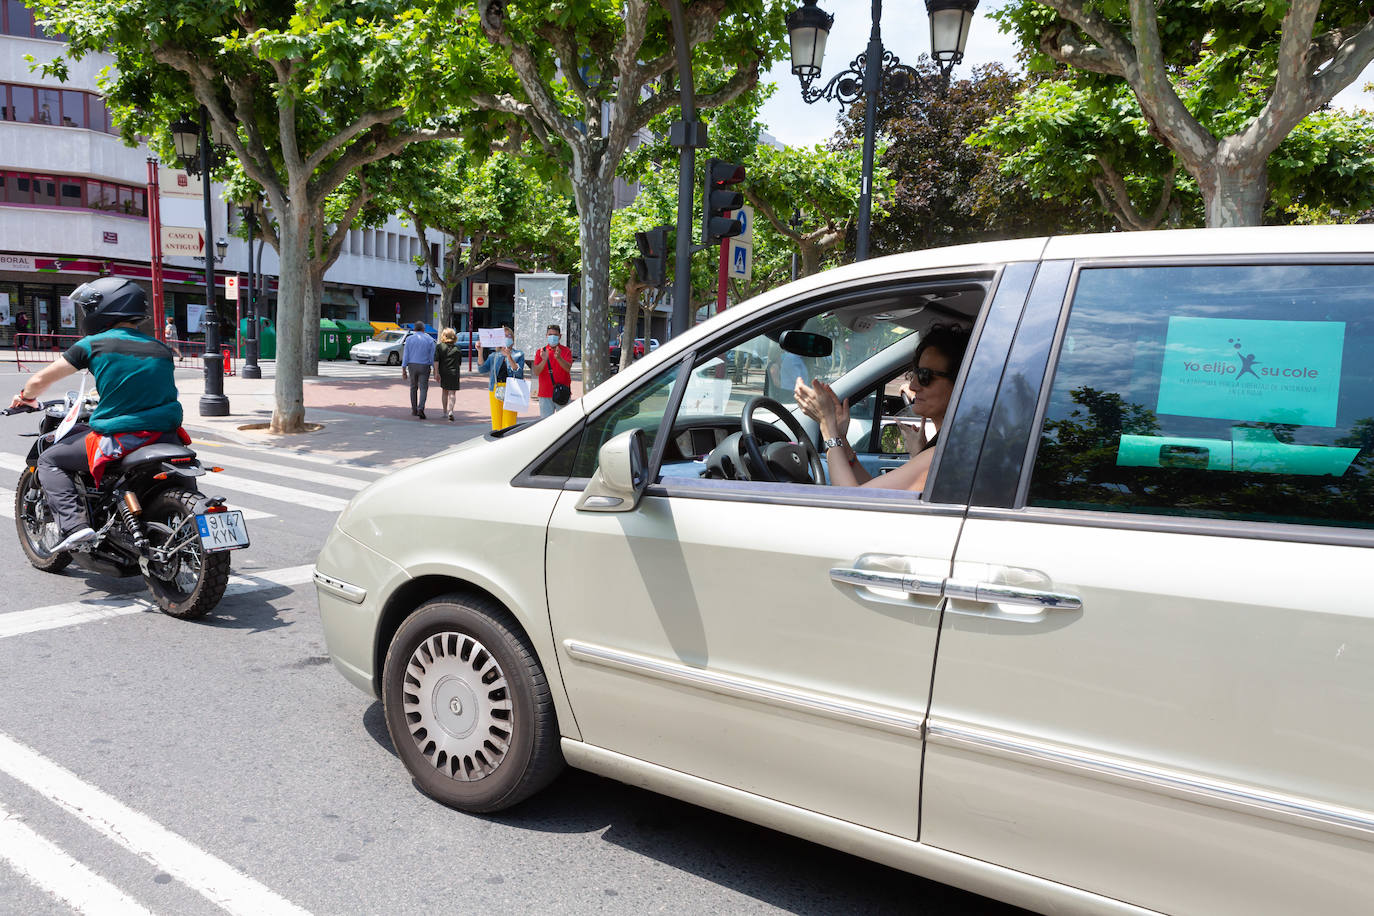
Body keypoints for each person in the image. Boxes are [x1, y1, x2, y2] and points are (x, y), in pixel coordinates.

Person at [8, 277, 182, 552]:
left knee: (50, 459)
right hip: (168, 434)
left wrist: (26, 397)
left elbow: (41, 380)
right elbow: (142, 384)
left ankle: (75, 527)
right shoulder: (160, 347)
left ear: (103, 309)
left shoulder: (94, 344)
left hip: (124, 436)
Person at [794, 323, 969, 493]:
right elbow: (877, 494)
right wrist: (842, 441)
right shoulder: (954, 443)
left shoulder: (944, 455)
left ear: (961, 381)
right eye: (914, 373)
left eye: (925, 376)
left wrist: (828, 427)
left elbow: (853, 501)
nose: (913, 385)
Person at [478, 324, 524, 431]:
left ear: (513, 339)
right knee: (496, 422)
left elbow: (518, 372)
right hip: (495, 388)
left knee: (509, 422)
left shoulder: (518, 354)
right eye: (504, 336)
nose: (507, 338)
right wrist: (480, 352)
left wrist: (509, 356)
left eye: (509, 336)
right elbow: (482, 369)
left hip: (512, 388)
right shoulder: (494, 355)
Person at [531, 323, 573, 417]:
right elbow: (537, 372)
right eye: (550, 335)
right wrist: (544, 360)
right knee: (545, 424)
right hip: (545, 394)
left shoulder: (566, 351)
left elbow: (567, 368)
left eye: (555, 335)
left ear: (560, 336)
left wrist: (559, 358)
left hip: (562, 393)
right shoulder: (541, 352)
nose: (552, 337)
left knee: (564, 423)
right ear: (546, 336)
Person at [400, 321, 436, 419]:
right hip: (424, 365)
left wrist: (404, 369)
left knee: (413, 387)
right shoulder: (429, 339)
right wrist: (435, 369)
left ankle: (414, 409)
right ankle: (421, 407)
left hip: (412, 365)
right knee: (424, 388)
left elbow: (406, 355)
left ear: (414, 329)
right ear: (424, 329)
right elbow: (432, 356)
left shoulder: (409, 339)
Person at [434, 327, 463, 422]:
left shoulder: (439, 347)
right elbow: (459, 363)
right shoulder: (457, 348)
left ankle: (444, 412)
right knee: (452, 393)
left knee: (444, 391)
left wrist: (436, 372)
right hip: (454, 372)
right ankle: (451, 411)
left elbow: (436, 361)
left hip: (444, 372)